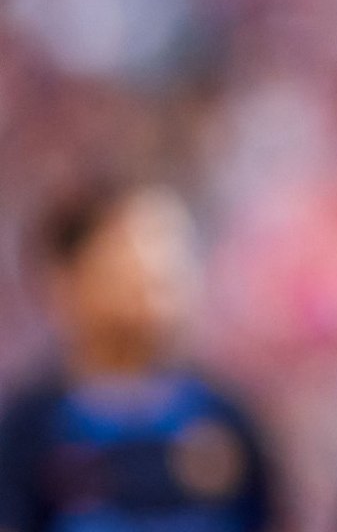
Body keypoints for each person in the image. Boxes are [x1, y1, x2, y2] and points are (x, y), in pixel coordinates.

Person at [0, 182, 273, 532]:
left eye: (170, 261)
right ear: (67, 279)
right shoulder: (33, 426)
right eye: (127, 260)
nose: (151, 279)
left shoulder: (225, 416)